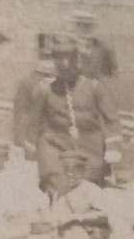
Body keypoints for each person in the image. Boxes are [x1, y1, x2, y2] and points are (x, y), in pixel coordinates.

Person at [33, 32, 116, 190]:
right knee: (55, 180)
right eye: (60, 62)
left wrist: (113, 148)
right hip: (55, 145)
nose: (65, 66)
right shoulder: (46, 90)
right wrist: (32, 151)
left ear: (78, 60)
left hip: (89, 148)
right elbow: (33, 123)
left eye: (70, 61)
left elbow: (112, 120)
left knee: (88, 186)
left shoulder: (94, 87)